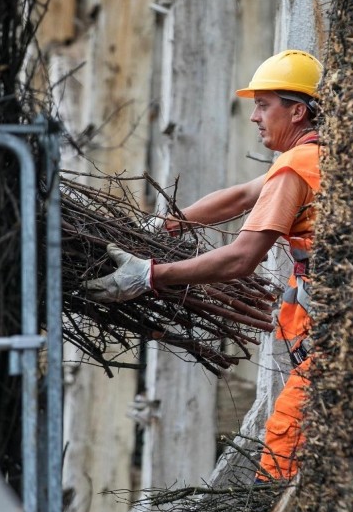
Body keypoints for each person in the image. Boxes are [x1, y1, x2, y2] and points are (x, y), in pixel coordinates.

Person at [84, 49, 323, 481]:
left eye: (264, 105)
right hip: (327, 341)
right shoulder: (316, 156)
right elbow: (240, 196)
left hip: (325, 352)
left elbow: (241, 256)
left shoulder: (295, 170)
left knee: (281, 464)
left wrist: (150, 276)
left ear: (298, 111)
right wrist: (165, 225)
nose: (254, 117)